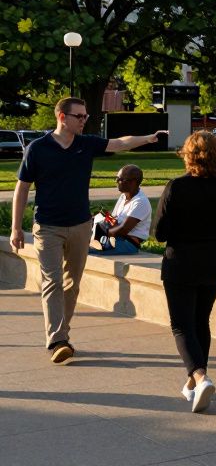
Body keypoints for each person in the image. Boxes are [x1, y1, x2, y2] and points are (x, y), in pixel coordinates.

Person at [9, 97, 164, 365]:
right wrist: (15, 228)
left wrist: (149, 138)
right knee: (52, 281)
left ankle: (62, 334)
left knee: (72, 284)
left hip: (81, 226)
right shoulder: (38, 149)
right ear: (62, 118)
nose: (84, 120)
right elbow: (22, 188)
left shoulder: (85, 144)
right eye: (79, 116)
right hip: (47, 227)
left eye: (85, 116)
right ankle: (57, 339)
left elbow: (119, 143)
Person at [154, 131, 216, 413]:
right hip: (214, 262)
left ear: (188, 156)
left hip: (180, 261)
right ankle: (193, 384)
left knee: (181, 325)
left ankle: (200, 377)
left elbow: (159, 233)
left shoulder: (176, 187)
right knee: (200, 321)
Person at [88, 164, 150, 256]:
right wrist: (100, 219)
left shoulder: (140, 202)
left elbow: (123, 230)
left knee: (85, 249)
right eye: (117, 178)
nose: (116, 181)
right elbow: (114, 219)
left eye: (121, 179)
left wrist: (101, 232)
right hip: (115, 237)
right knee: (76, 242)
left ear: (134, 182)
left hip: (127, 243)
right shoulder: (123, 196)